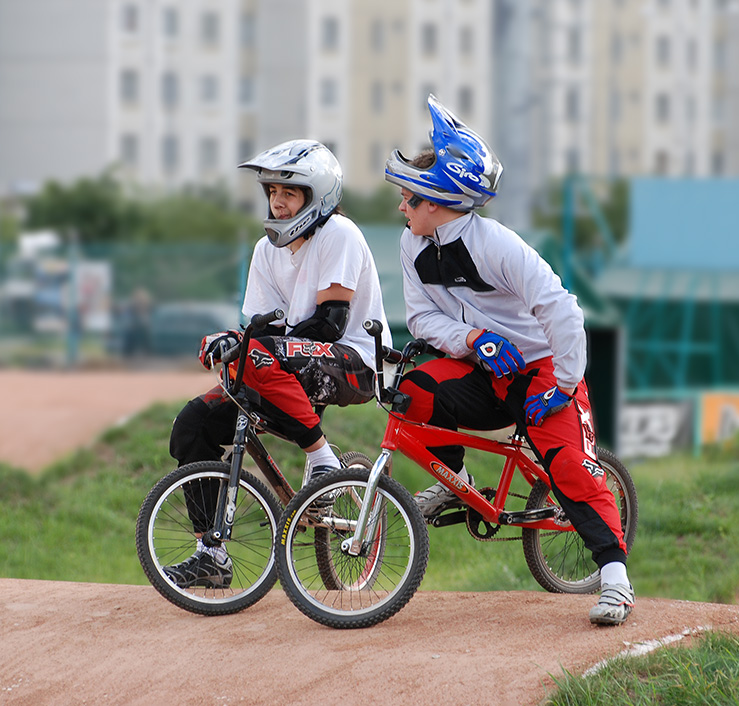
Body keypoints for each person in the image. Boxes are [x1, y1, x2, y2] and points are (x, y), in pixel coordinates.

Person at [384, 95, 633, 626]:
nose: (402, 207)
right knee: (417, 388)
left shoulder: (497, 245)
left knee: (567, 464)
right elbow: (422, 319)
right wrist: (474, 338)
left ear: (438, 201)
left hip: (543, 370)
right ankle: (456, 479)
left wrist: (564, 384)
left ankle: (615, 579)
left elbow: (563, 311)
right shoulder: (412, 246)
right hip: (484, 370)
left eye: (409, 198)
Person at [164, 139, 391, 589]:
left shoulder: (339, 235)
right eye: (271, 192)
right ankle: (210, 554)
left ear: (318, 195)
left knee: (257, 353)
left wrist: (252, 346)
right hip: (287, 365)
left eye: (289, 193)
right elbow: (261, 333)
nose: (277, 202)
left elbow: (329, 324)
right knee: (192, 426)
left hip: (353, 362)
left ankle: (323, 460)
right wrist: (231, 342)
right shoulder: (265, 250)